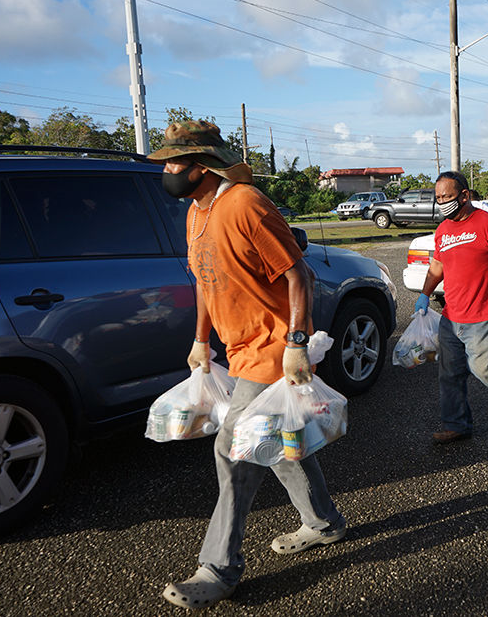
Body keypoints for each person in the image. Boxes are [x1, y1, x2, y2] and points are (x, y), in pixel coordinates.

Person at [150, 121, 345, 610]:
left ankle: (219, 569)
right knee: (278, 445)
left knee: (233, 450)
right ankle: (324, 523)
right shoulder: (196, 213)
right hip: (235, 350)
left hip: (271, 349)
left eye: (175, 162)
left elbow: (296, 271)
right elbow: (204, 280)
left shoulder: (245, 203)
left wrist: (296, 342)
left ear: (202, 166)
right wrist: (201, 341)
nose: (168, 171)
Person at [415, 171, 488, 444]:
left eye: (447, 196)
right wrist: (424, 294)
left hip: (485, 315)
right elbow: (438, 265)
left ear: (465, 195)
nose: (442, 201)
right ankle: (456, 424)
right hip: (451, 316)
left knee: (485, 369)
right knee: (449, 374)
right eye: (438, 197)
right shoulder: (443, 229)